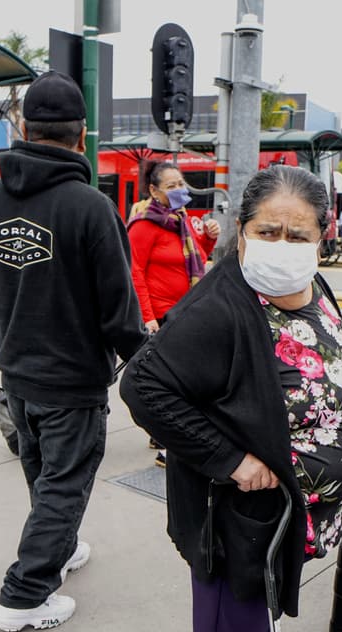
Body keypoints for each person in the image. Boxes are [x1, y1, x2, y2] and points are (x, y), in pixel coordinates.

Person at [121, 165, 342, 632]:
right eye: (268, 231)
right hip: (241, 508)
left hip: (294, 508)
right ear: (242, 230)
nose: (282, 246)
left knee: (251, 611)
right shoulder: (220, 308)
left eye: (298, 234)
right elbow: (143, 387)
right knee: (233, 611)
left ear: (322, 236)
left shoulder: (313, 285)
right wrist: (230, 459)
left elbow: (318, 351)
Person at [0, 70, 147, 632]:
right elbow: (120, 312)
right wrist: (147, 361)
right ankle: (25, 593)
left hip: (16, 377)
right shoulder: (91, 208)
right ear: (81, 134)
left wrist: (8, 348)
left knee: (44, 478)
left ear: (23, 129)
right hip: (72, 382)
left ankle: (58, 549)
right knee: (63, 484)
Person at [126, 161, 220, 466]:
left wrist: (208, 238)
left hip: (186, 314)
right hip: (163, 318)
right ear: (154, 191)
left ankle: (161, 433)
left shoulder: (181, 219)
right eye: (172, 186)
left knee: (176, 381)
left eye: (181, 183)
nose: (180, 190)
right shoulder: (144, 225)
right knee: (175, 382)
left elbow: (197, 258)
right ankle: (169, 442)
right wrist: (148, 318)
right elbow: (134, 272)